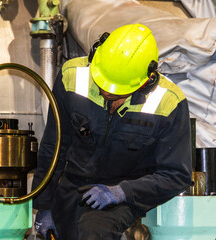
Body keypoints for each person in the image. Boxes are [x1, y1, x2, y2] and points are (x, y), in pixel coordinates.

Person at [31, 23, 192, 240]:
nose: (106, 90)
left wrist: (121, 192)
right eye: (103, 82)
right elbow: (54, 146)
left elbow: (176, 175)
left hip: (127, 188)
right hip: (74, 183)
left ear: (146, 80)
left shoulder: (169, 103)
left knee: (94, 231)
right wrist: (44, 204)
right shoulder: (72, 76)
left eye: (117, 89)